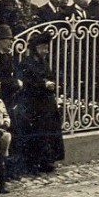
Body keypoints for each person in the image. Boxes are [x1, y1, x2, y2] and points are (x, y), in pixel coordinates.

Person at [13, 31, 65, 176]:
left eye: (46, 48)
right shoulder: (26, 63)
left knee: (49, 131)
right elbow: (26, 82)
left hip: (46, 102)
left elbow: (50, 76)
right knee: (36, 132)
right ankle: (34, 162)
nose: (45, 51)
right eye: (43, 48)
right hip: (34, 103)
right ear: (35, 48)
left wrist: (53, 84)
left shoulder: (43, 62)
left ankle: (47, 161)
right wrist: (43, 84)